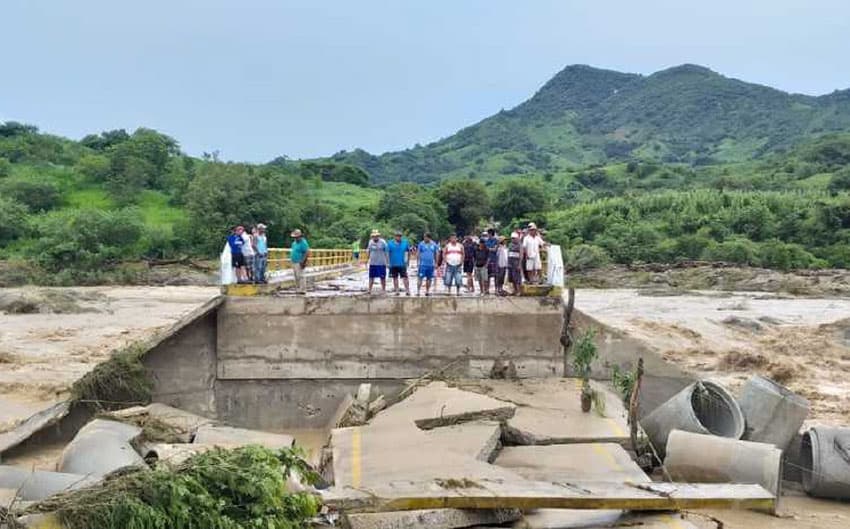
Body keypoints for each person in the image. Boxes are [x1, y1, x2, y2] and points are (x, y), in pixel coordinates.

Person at [387, 230, 411, 296]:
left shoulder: (405, 243)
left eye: (400, 236)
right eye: (397, 236)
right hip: (393, 264)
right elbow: (387, 253)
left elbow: (408, 252)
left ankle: (407, 290)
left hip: (402, 263)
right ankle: (397, 291)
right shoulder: (390, 243)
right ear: (394, 236)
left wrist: (408, 261)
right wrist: (388, 263)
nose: (398, 237)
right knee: (395, 277)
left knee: (405, 277)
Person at [416, 232, 439, 296]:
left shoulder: (434, 244)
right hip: (422, 264)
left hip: (431, 265)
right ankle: (418, 291)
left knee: (429, 278)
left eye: (425, 237)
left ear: (429, 238)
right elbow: (418, 253)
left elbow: (436, 254)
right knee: (420, 277)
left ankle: (427, 291)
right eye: (424, 237)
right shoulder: (421, 244)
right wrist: (417, 262)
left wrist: (436, 263)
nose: (424, 238)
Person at [367, 229, 389, 294]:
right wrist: (367, 260)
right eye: (374, 236)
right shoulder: (370, 242)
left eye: (376, 236)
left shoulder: (383, 242)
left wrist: (388, 262)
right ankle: (369, 289)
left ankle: (383, 289)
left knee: (382, 277)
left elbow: (386, 252)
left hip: (381, 263)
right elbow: (368, 251)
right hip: (373, 263)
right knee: (371, 277)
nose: (375, 237)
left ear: (378, 236)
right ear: (372, 236)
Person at [290, 228, 310, 294]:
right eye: (295, 237)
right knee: (296, 276)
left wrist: (303, 261)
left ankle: (303, 290)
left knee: (301, 276)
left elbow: (306, 252)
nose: (296, 238)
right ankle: (298, 289)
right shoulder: (294, 243)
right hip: (294, 261)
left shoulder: (303, 243)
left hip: (300, 262)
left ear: (300, 236)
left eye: (297, 237)